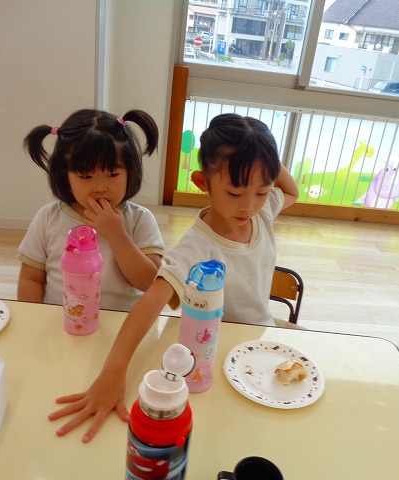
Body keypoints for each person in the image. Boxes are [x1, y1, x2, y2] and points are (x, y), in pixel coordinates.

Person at [48, 113, 299, 442]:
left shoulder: (264, 211)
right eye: (235, 193)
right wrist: (112, 375)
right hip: (218, 350)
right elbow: (148, 304)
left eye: (261, 191)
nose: (248, 206)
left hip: (260, 338)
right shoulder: (195, 248)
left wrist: (258, 151)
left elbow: (290, 189)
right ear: (202, 182)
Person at [17, 109, 164, 311]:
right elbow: (31, 279)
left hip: (122, 324)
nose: (100, 187)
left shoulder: (140, 219)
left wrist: (117, 236)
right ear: (65, 177)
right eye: (86, 176)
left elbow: (151, 282)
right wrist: (33, 318)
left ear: (130, 172)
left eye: (112, 174)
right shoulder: (48, 218)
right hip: (62, 321)